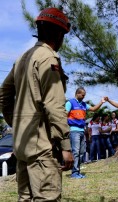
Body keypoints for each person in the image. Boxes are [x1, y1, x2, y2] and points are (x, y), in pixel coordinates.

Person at [0, 8, 74, 201]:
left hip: (22, 146)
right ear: (59, 34)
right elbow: (55, 105)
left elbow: (4, 95)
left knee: (24, 199)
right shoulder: (48, 58)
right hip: (42, 148)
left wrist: (17, 124)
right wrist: (66, 146)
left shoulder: (22, 58)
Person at [66, 87, 106, 179]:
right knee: (75, 151)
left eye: (85, 95)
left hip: (82, 131)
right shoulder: (70, 103)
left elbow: (93, 109)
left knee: (82, 152)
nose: (84, 97)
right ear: (77, 93)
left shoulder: (83, 104)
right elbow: (64, 115)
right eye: (82, 95)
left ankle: (77, 171)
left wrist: (102, 102)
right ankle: (74, 173)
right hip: (74, 130)